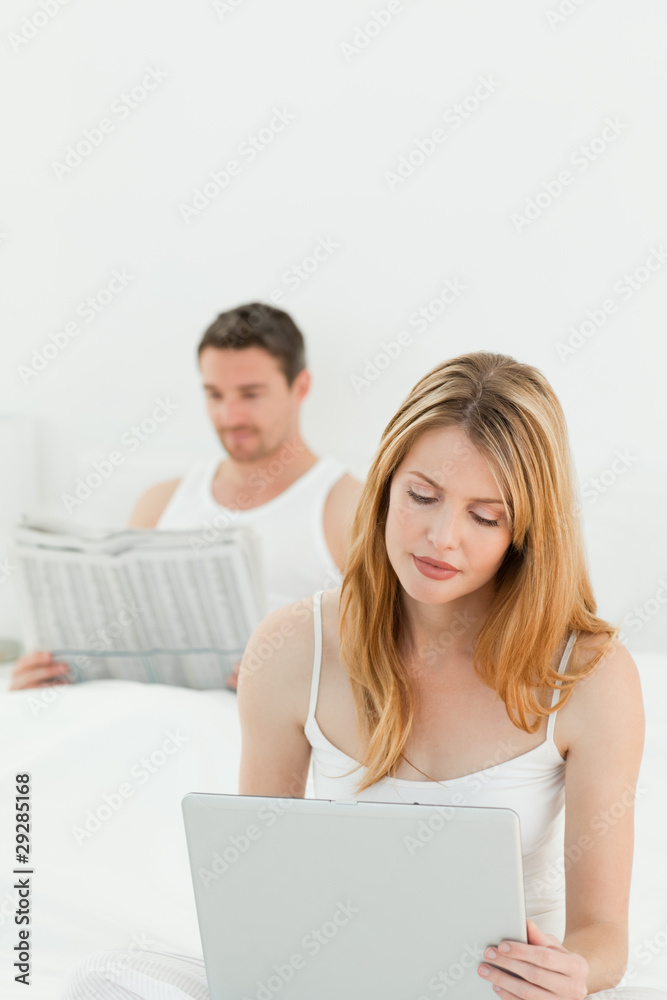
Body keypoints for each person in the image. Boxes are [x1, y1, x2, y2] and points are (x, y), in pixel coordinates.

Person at [60, 351, 656, 1000]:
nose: (440, 537)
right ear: (384, 486)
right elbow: (257, 889)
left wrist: (569, 971)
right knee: (100, 982)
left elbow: (602, 939)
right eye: (421, 496)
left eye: (485, 516)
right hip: (333, 979)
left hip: (496, 993)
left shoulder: (590, 677)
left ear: (528, 531)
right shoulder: (292, 647)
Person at [10, 302, 363, 692]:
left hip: (252, 730)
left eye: (250, 394)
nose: (229, 416)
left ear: (301, 387)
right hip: (136, 714)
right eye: (214, 394)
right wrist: (51, 675)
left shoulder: (346, 507)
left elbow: (386, 661)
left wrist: (289, 677)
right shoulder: (159, 503)